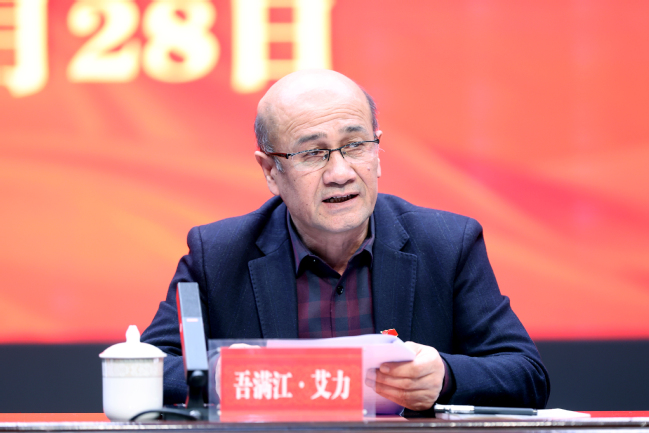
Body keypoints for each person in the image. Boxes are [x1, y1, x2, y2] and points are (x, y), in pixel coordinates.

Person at [141, 69, 550, 414]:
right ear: (270, 171)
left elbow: (526, 374)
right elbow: (146, 370)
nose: (340, 173)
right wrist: (250, 377)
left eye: (355, 146)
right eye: (312, 153)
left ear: (377, 151)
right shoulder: (218, 254)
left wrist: (445, 376)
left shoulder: (447, 244)